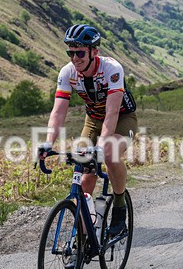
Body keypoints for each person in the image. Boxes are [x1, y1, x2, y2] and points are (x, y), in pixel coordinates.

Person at [38, 24, 138, 242]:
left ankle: (120, 208)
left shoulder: (112, 69)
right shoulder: (68, 73)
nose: (75, 58)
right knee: (84, 177)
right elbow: (58, 111)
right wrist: (47, 143)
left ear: (94, 51)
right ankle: (82, 239)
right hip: (93, 120)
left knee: (110, 153)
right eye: (71, 53)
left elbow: (111, 114)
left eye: (80, 52)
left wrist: (100, 148)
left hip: (121, 118)